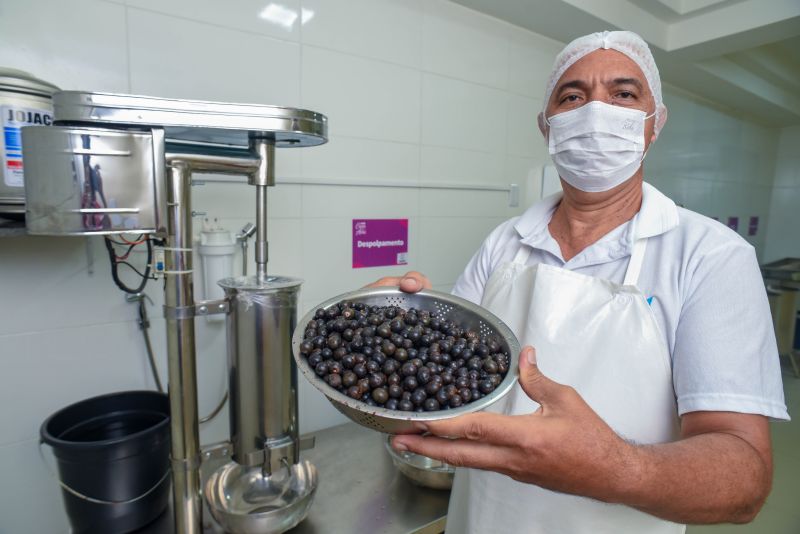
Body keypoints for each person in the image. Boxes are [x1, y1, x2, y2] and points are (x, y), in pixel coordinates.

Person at [372, 31, 789, 533]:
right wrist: (392, 333)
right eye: (572, 97)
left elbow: (744, 478)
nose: (596, 112)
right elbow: (440, 388)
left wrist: (612, 467)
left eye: (623, 94)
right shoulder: (504, 243)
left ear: (652, 125)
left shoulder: (711, 257)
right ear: (547, 127)